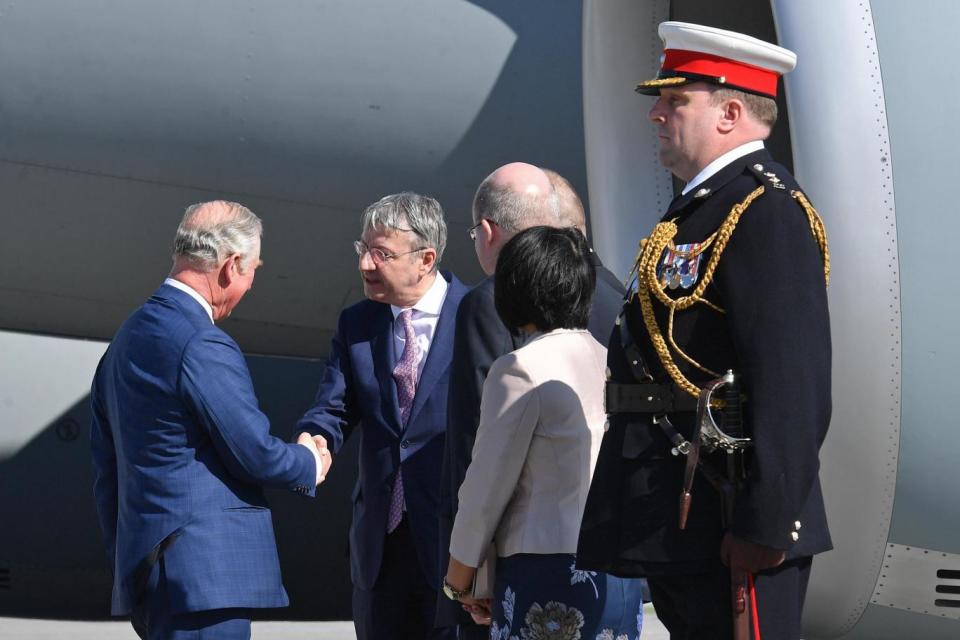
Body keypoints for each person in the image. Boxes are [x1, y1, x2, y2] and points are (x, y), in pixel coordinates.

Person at [577, 22, 832, 640]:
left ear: (731, 112)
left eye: (674, 100)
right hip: (679, 509)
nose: (656, 115)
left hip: (728, 514)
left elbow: (792, 383)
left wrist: (764, 525)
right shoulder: (701, 206)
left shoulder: (764, 209)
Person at [90, 200, 331, 640]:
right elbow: (253, 452)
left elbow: (107, 469)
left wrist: (135, 561)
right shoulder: (201, 342)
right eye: (253, 269)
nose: (251, 283)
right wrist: (307, 461)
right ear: (231, 265)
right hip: (206, 580)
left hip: (152, 575)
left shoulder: (125, 340)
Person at [435, 162, 636, 638]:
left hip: (545, 570)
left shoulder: (519, 368)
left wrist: (461, 580)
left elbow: (484, 483)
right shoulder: (608, 357)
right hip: (615, 568)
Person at [296, 192, 466, 640]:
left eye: (382, 254)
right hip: (381, 548)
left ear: (426, 258)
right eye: (363, 250)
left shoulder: (475, 317)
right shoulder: (358, 324)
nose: (366, 265)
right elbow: (333, 406)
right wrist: (314, 438)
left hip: (456, 543)